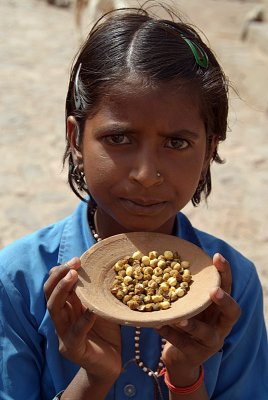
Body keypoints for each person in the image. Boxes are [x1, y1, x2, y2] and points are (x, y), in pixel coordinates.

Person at [0, 3, 267, 400]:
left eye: (177, 143)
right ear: (76, 139)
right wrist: (92, 378)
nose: (146, 173)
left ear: (209, 149)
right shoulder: (20, 282)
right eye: (119, 139)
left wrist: (186, 375)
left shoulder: (231, 288)